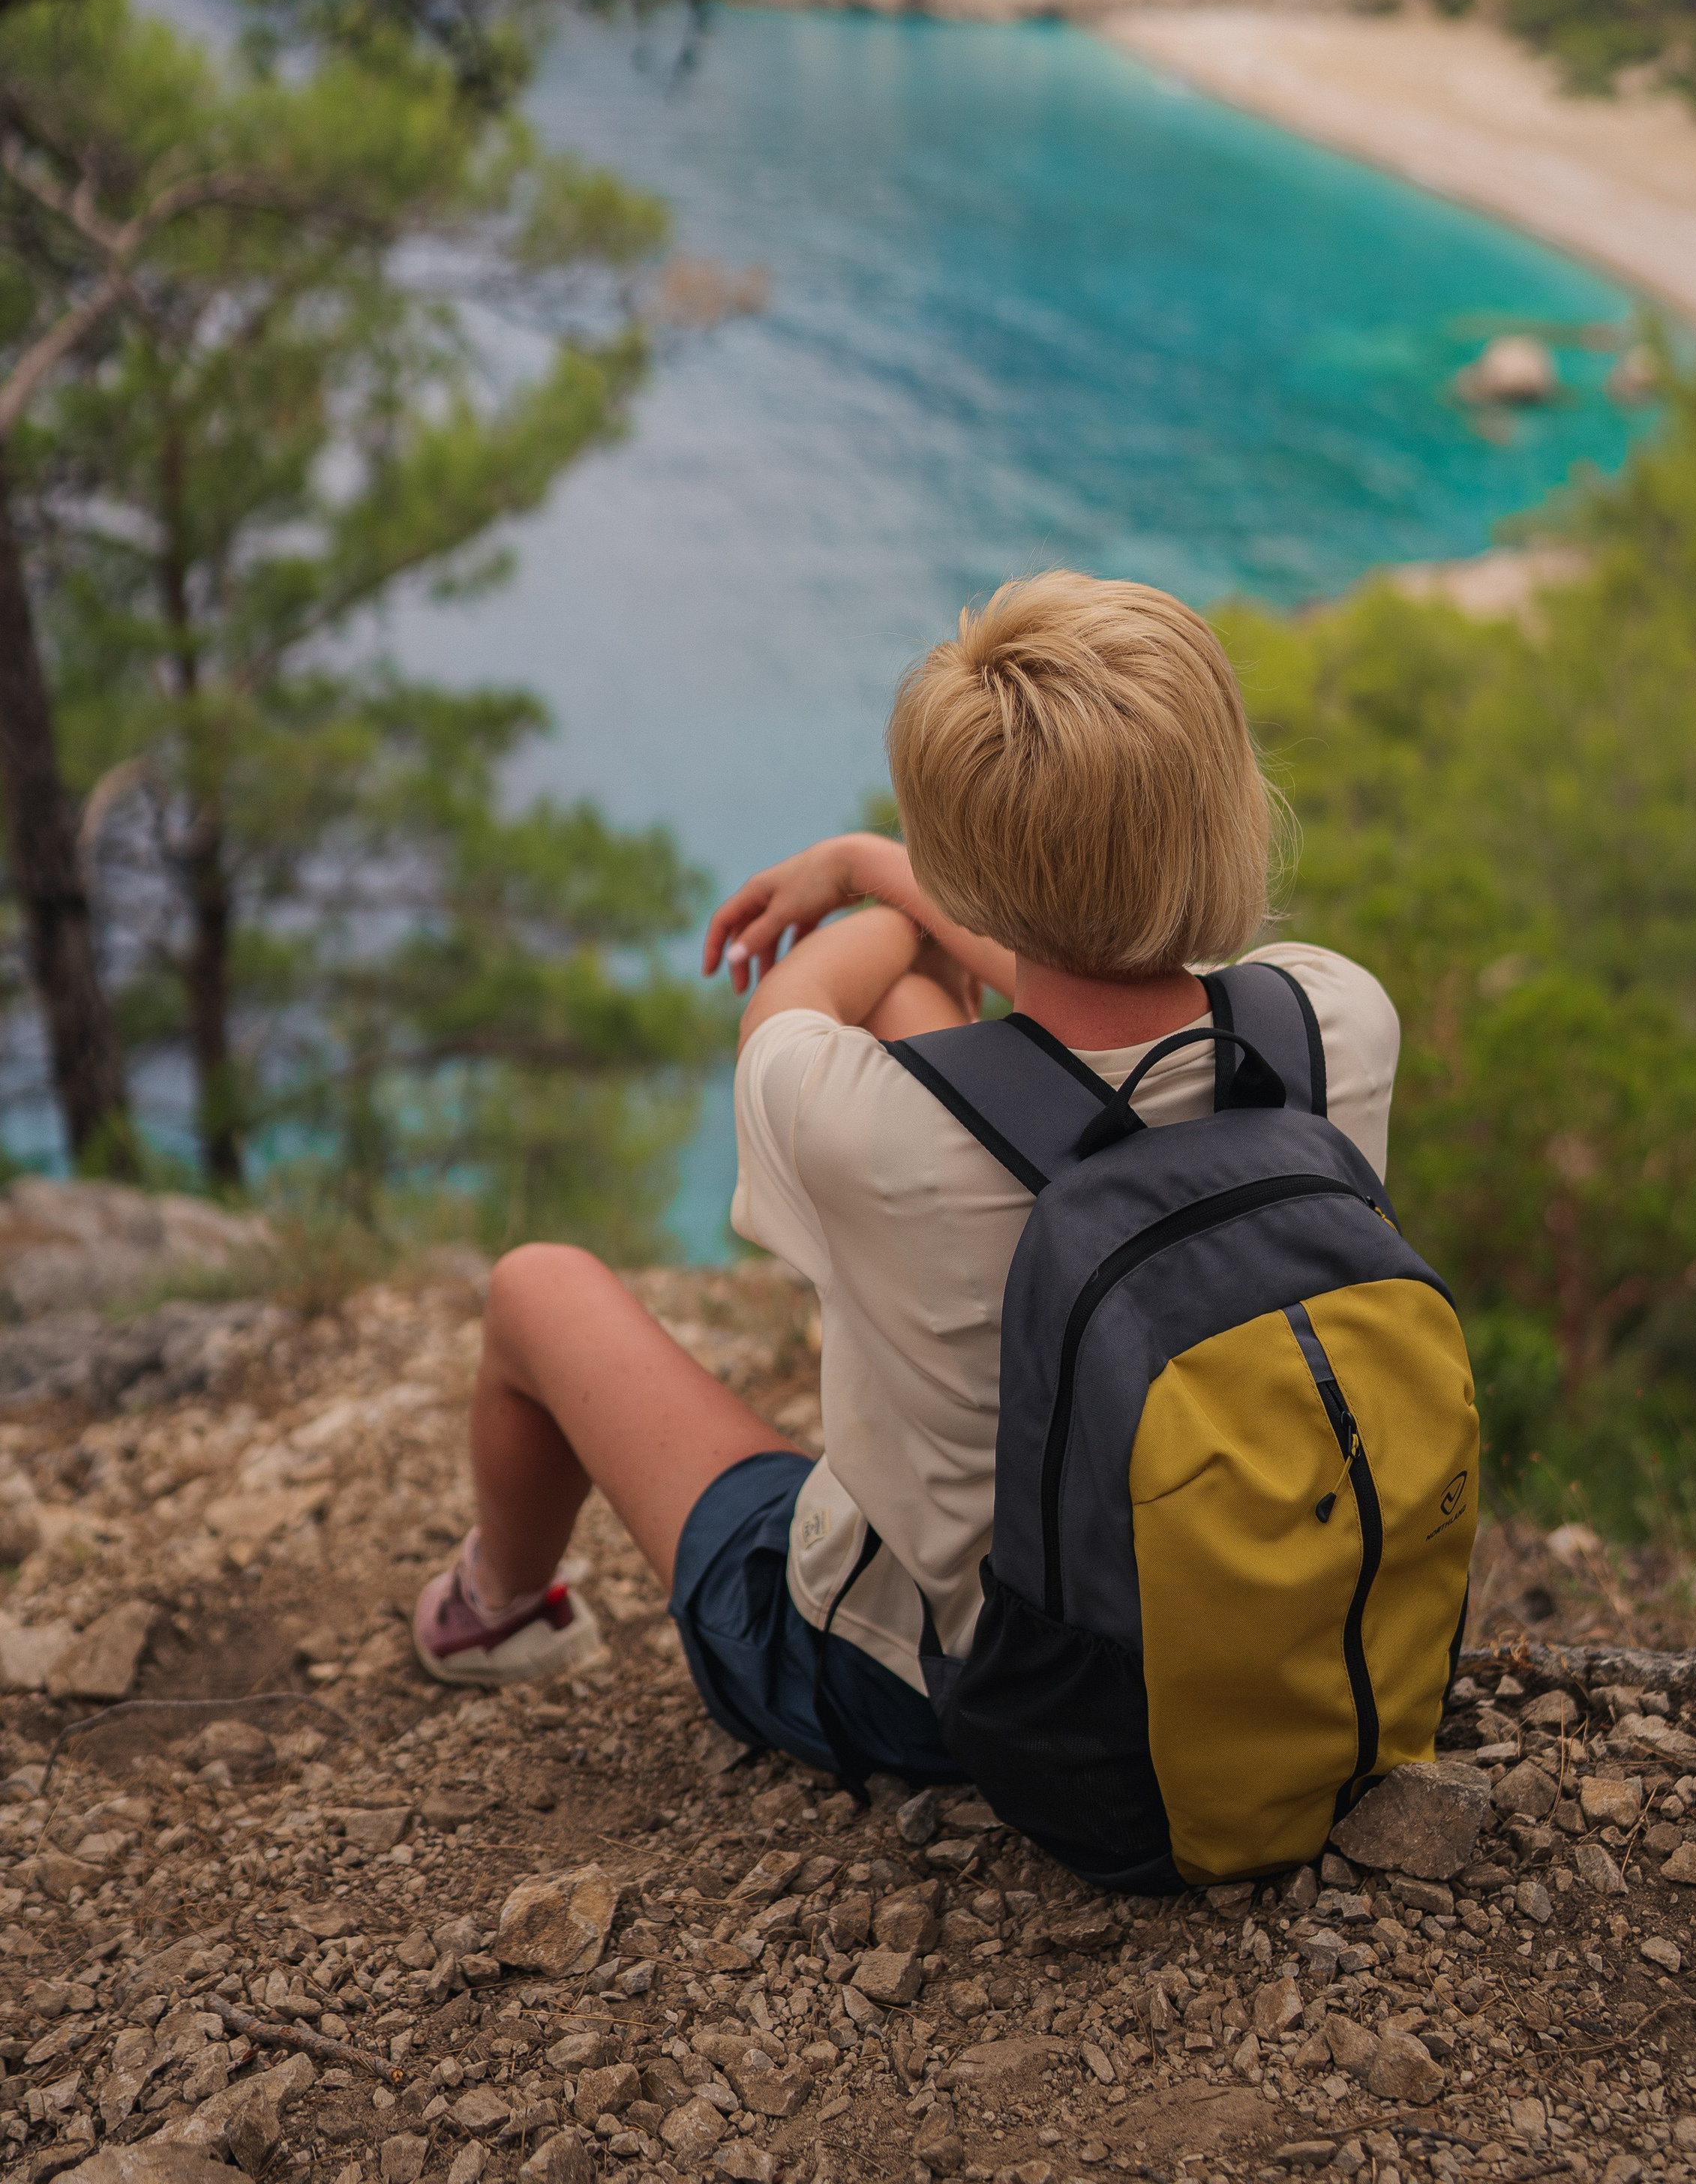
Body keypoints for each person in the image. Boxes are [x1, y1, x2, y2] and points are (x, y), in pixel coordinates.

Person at [411, 573, 1400, 1795]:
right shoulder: (1333, 1022)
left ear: (964, 866)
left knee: (535, 1286)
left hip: (949, 1697)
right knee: (940, 1033)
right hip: (1277, 1641)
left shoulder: (860, 1129)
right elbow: (1111, 985)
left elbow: (791, 1005)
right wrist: (894, 876)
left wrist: (876, 882)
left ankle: (498, 1610)